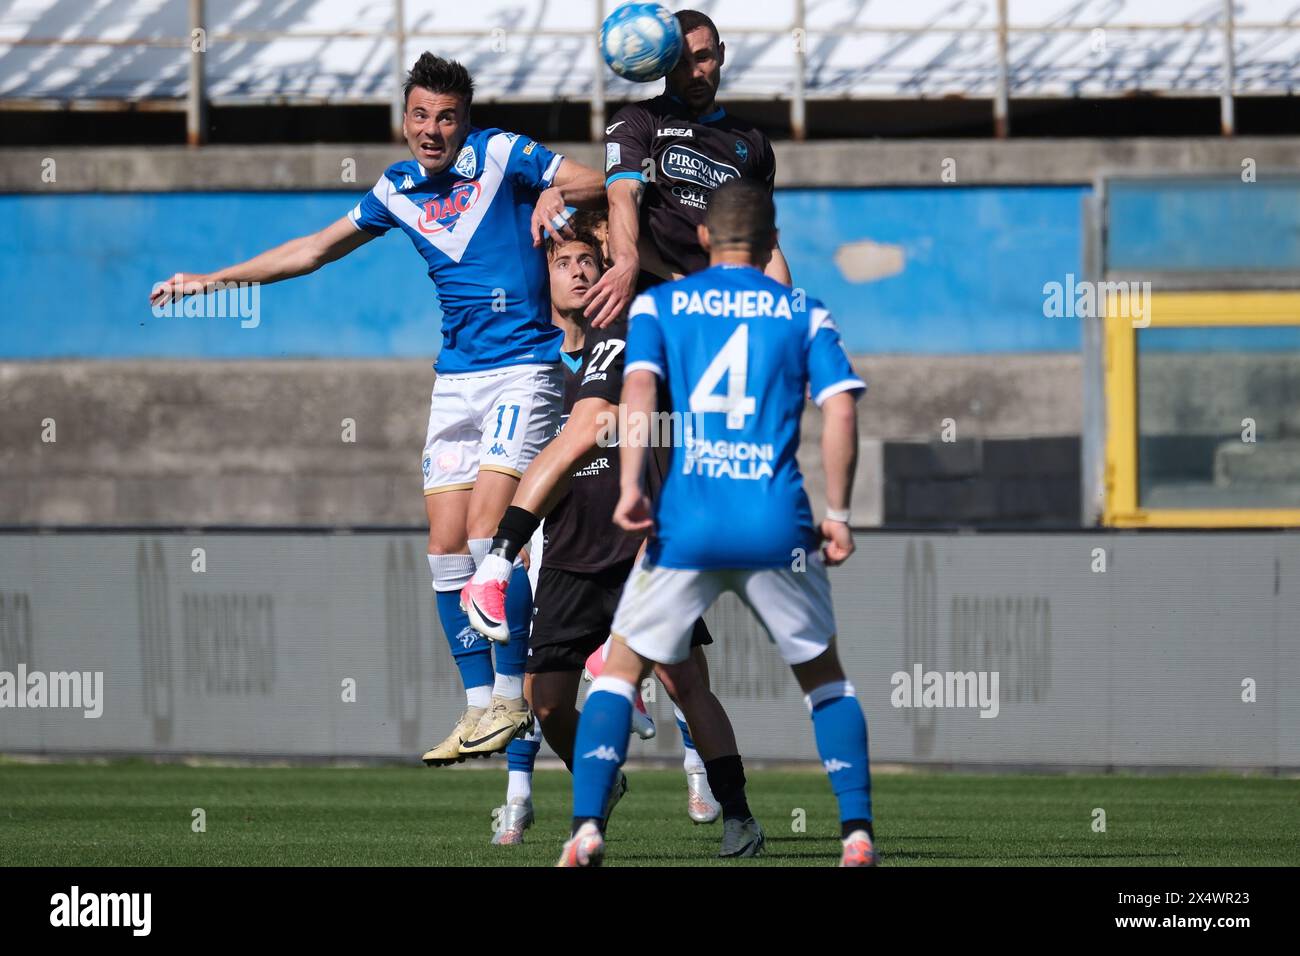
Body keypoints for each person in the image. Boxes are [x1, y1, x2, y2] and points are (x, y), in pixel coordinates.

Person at [148, 54, 605, 767]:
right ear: (404, 119)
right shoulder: (396, 190)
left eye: (447, 116)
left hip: (523, 371)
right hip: (455, 379)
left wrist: (558, 196)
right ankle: (479, 707)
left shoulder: (500, 154)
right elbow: (313, 250)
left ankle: (515, 700)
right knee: (445, 549)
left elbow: (599, 180)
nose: (432, 129)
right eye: (420, 115)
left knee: (491, 533)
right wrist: (212, 280)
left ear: (465, 120)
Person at [557, 179, 876, 868]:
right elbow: (842, 408)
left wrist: (634, 486)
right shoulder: (802, 312)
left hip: (688, 522)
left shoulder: (661, 305)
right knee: (826, 682)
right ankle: (856, 835)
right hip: (775, 524)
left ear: (702, 237)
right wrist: (841, 514)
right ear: (771, 244)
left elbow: (638, 390)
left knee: (617, 675)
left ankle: (586, 826)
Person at [479, 214, 762, 857]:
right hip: (571, 553)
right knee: (546, 702)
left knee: (685, 684)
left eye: (592, 257)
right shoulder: (531, 359)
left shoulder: (641, 326)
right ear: (542, 277)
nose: (582, 270)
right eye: (566, 262)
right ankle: (598, 785)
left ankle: (738, 813)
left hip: (641, 543)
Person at [583, 7, 791, 331]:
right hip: (651, 301)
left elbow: (765, 243)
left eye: (703, 57)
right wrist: (626, 261)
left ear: (721, 54)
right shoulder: (639, 121)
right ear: (664, 62)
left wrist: (782, 315)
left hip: (725, 310)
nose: (694, 73)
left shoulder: (754, 144)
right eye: (680, 63)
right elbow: (623, 196)